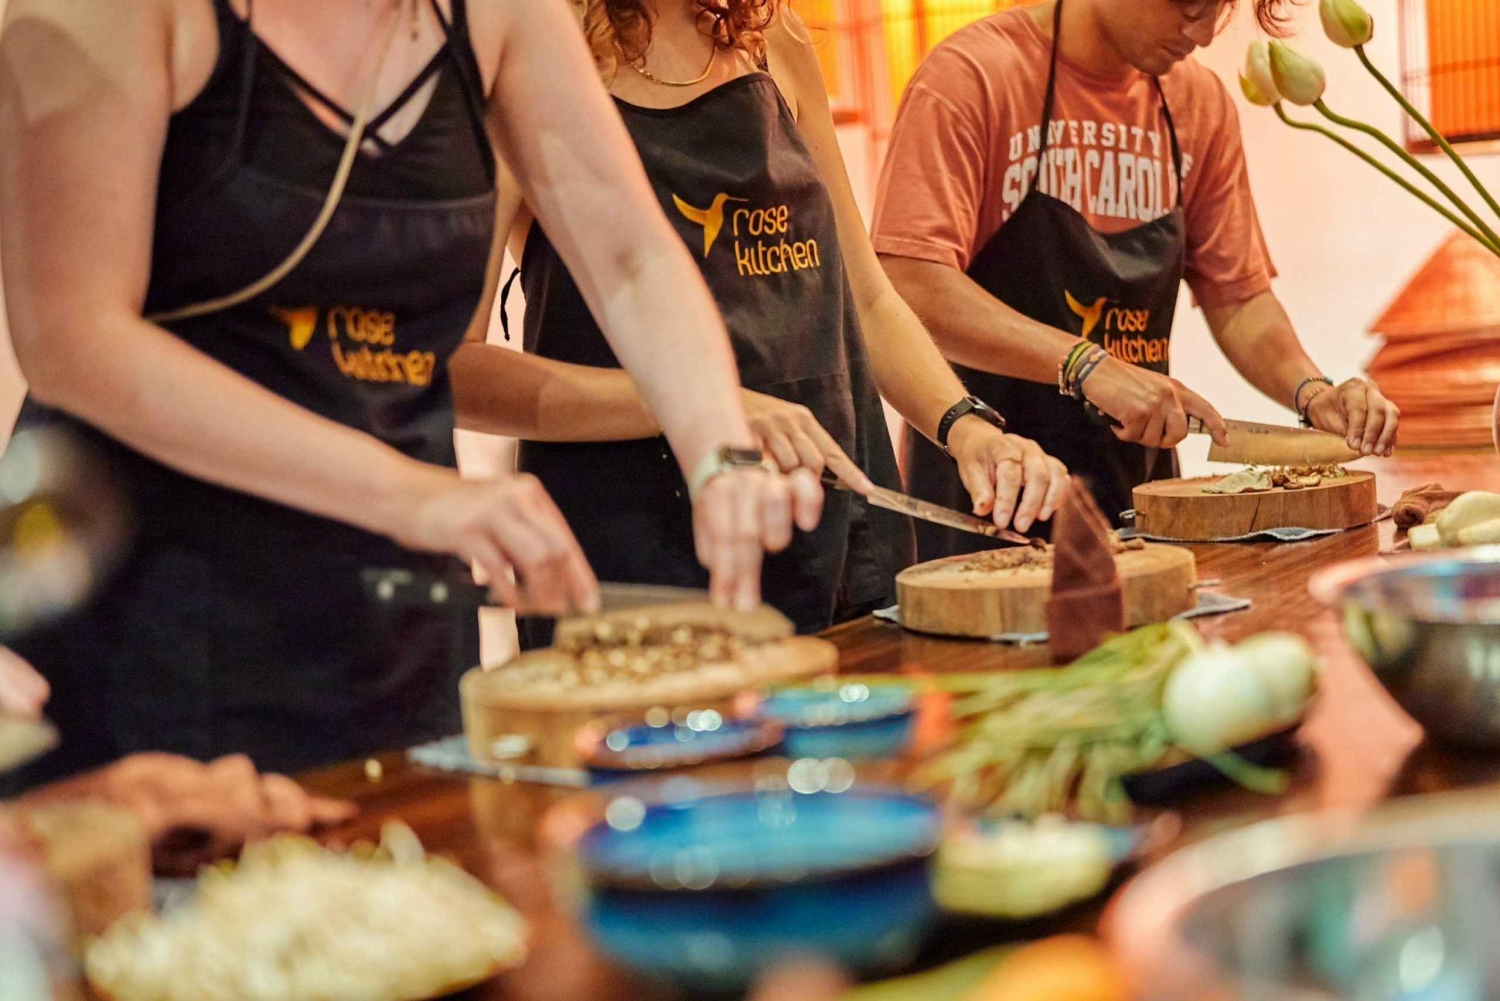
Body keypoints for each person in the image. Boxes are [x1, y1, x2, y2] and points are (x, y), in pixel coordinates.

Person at [0, 0, 821, 785]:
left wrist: (717, 448)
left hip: (397, 612)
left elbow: (631, 259)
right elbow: (72, 338)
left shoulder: (494, 14)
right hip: (158, 613)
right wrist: (410, 496)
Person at [449, 0, 1068, 636]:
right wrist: (701, 405)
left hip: (837, 536)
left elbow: (868, 298)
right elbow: (456, 373)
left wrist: (968, 429)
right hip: (637, 561)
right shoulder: (525, 63)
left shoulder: (774, 40)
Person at [872, 0, 1401, 558]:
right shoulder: (974, 76)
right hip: (993, 487)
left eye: (1218, 10)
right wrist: (1085, 364)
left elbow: (1239, 298)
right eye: (1190, 4)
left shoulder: (1198, 102)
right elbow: (909, 285)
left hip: (1139, 492)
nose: (1201, 33)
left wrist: (1312, 391)